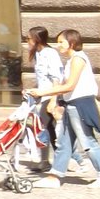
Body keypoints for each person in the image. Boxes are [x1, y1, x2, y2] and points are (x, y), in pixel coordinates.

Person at [31, 30, 100, 189]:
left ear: (72, 43)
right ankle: (54, 176)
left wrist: (43, 92)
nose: (58, 45)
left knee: (87, 140)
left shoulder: (78, 58)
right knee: (64, 142)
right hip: (72, 105)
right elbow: (65, 87)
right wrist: (56, 100)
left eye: (61, 42)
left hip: (81, 105)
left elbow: (70, 86)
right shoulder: (71, 61)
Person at [25, 27, 64, 173]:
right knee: (50, 129)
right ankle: (60, 159)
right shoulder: (38, 54)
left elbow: (56, 78)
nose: (27, 41)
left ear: (37, 39)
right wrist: (33, 90)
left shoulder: (50, 53)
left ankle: (46, 161)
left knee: (41, 126)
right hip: (43, 95)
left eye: (29, 38)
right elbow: (42, 78)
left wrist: (54, 100)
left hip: (51, 95)